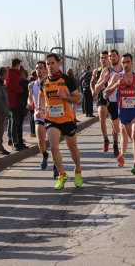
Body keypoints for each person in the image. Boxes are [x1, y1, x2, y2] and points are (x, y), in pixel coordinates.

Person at [36, 53, 82, 190]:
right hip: (51, 120)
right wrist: (39, 108)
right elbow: (41, 95)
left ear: (58, 64)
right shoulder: (44, 82)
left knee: (72, 148)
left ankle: (78, 170)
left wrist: (66, 96)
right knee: (54, 147)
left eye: (52, 63)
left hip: (68, 120)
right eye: (47, 64)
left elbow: (78, 99)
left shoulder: (68, 80)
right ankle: (62, 174)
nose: (49, 66)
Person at [104, 53, 135, 175]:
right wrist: (116, 85)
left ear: (132, 62)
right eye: (123, 62)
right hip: (123, 111)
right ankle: (130, 150)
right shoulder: (116, 76)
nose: (125, 65)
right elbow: (106, 93)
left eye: (128, 62)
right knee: (130, 137)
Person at [94, 49, 126, 157]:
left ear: (118, 56)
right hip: (111, 101)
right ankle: (110, 141)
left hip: (125, 102)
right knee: (116, 128)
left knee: (124, 128)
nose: (111, 58)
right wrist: (104, 80)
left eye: (113, 55)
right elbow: (97, 87)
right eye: (110, 56)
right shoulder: (106, 70)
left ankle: (118, 146)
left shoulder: (124, 68)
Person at [27, 61, 51, 170]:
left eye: (41, 68)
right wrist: (29, 103)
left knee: (53, 143)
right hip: (39, 115)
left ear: (46, 69)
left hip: (52, 116)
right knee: (41, 140)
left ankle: (56, 165)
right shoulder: (32, 85)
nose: (38, 70)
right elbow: (30, 99)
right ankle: (45, 154)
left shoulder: (51, 82)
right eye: (37, 68)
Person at [91, 51, 113, 152]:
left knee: (114, 121)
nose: (103, 59)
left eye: (105, 57)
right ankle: (106, 139)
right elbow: (92, 82)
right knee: (101, 117)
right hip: (101, 98)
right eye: (101, 58)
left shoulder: (113, 70)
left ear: (109, 59)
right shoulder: (97, 71)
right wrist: (93, 91)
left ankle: (116, 142)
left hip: (112, 97)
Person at [6, 58, 25, 151]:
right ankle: (15, 142)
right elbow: (16, 88)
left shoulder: (13, 74)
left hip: (15, 101)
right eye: (19, 65)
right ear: (17, 65)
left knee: (16, 123)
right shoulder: (12, 74)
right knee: (15, 123)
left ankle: (18, 141)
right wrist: (23, 89)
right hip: (14, 102)